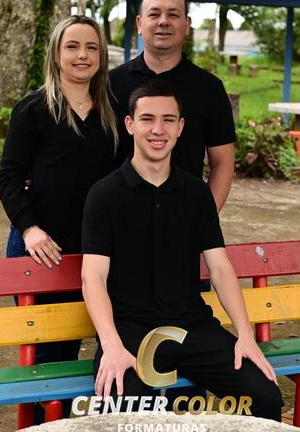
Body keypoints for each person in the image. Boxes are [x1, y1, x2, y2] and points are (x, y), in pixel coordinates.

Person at [81, 79, 283, 421]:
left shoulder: (196, 194)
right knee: (123, 411)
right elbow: (93, 278)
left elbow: (220, 269)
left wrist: (245, 336)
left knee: (265, 397)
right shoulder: (104, 195)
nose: (158, 130)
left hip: (193, 327)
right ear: (130, 124)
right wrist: (112, 345)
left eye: (168, 119)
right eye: (147, 119)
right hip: (131, 331)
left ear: (180, 127)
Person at [0, 14, 118, 421]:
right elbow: (9, 177)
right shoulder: (33, 109)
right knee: (50, 356)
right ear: (55, 54)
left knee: (98, 344)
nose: (82, 55)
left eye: (91, 47)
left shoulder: (113, 111)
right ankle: (42, 425)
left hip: (95, 251)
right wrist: (29, 229)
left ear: (101, 56)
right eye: (73, 46)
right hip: (42, 250)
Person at [110, 0, 236, 213]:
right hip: (119, 216)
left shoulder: (209, 88)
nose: (163, 21)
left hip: (184, 215)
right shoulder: (110, 85)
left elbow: (222, 163)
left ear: (187, 25)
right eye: (154, 14)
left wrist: (204, 220)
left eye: (173, 15)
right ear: (139, 23)